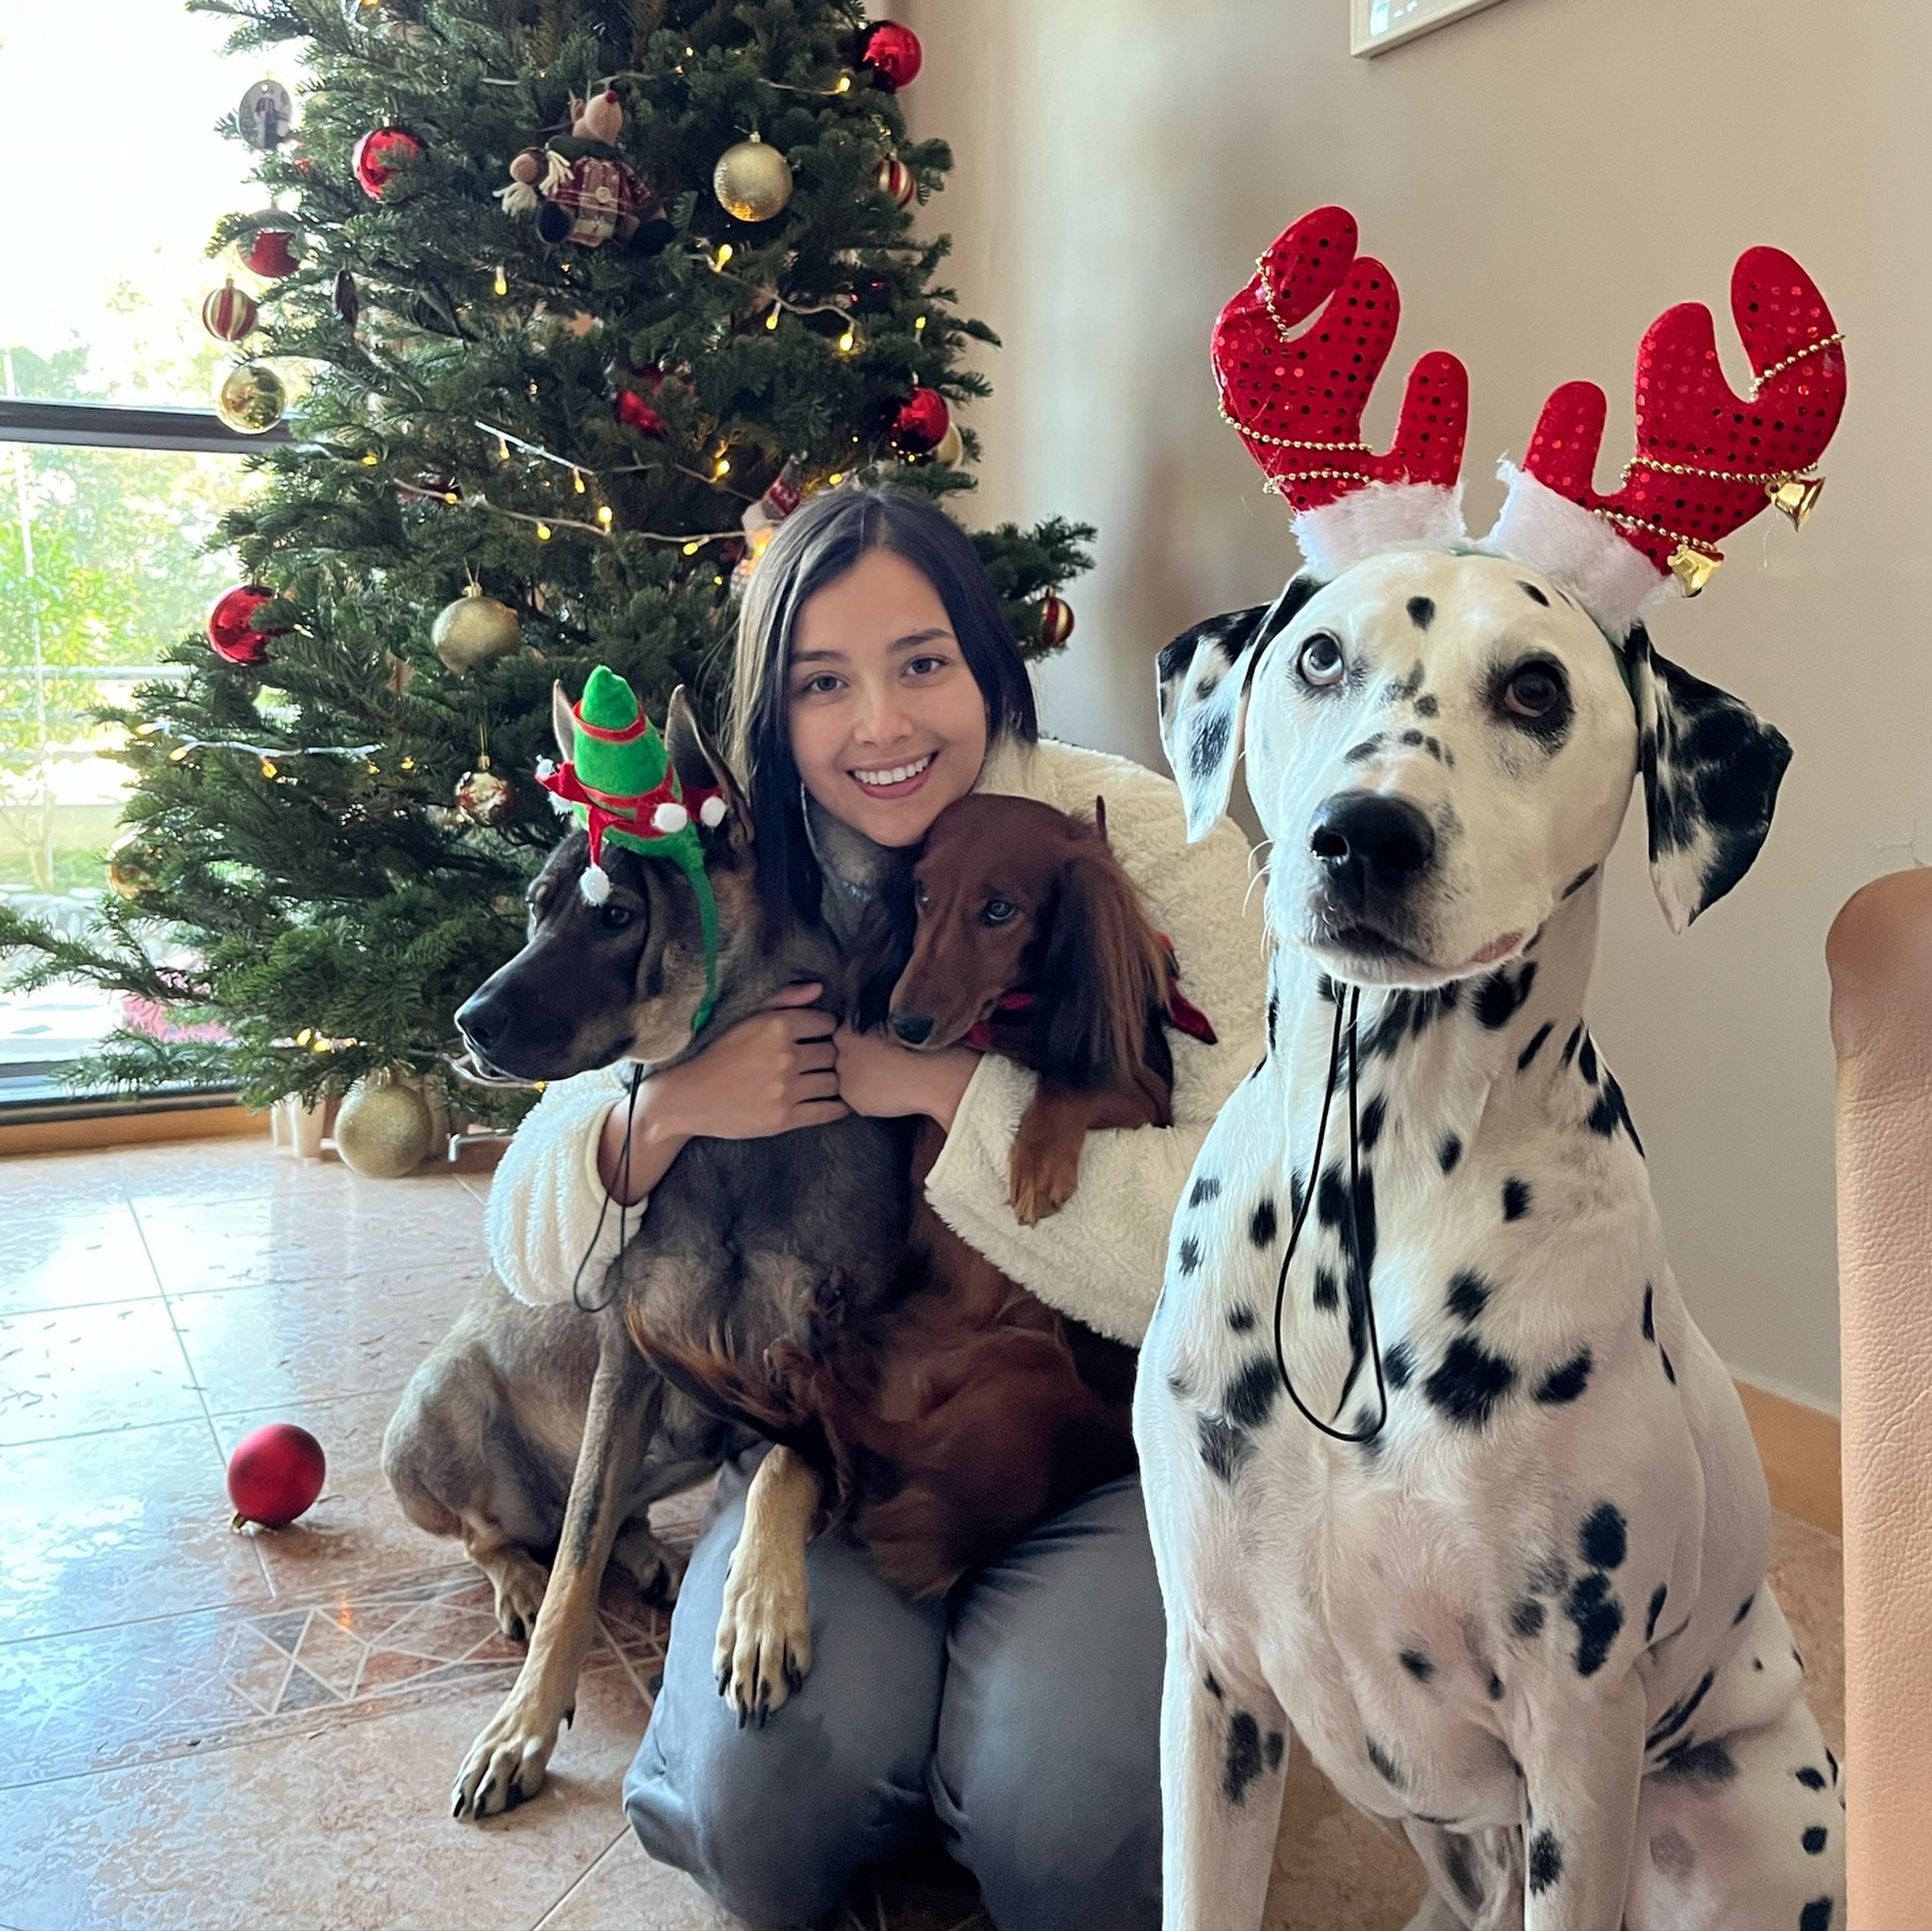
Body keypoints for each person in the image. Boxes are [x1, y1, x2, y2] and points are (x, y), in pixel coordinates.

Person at [484, 485, 1264, 1931]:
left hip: (1105, 1451)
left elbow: (1227, 1252)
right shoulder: (733, 881)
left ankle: (988, 1736)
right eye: (822, 685)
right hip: (841, 1440)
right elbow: (533, 1241)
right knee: (764, 1820)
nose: (882, 727)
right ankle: (905, 1741)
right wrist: (667, 1111)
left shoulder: (1161, 848)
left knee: (1074, 1835)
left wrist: (943, 1091)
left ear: (990, 666)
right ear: (770, 722)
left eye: (923, 664)